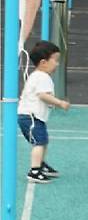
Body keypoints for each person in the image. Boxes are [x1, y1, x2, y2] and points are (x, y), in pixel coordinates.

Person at [17, 41, 71, 184]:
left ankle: (40, 164)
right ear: (43, 62)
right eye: (55, 60)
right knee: (39, 143)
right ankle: (34, 171)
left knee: (43, 141)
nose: (57, 64)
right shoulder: (43, 77)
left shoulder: (38, 76)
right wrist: (59, 103)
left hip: (30, 116)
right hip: (31, 117)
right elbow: (43, 95)